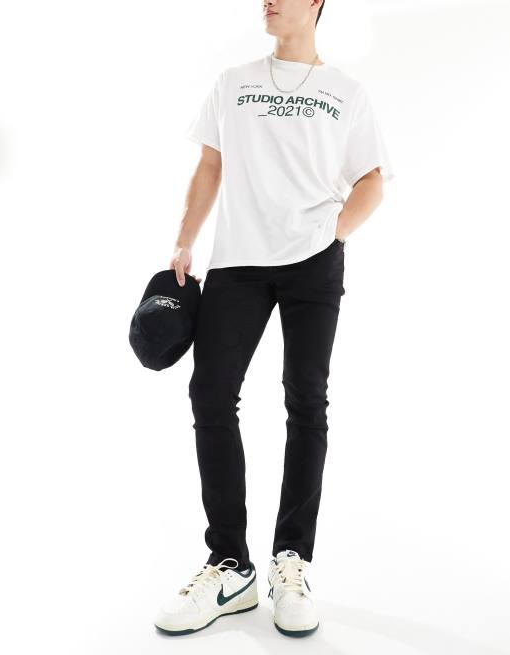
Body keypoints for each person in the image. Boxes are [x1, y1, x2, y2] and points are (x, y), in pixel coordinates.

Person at [154, 0, 394, 638]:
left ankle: (292, 561)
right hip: (238, 261)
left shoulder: (346, 92)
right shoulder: (232, 83)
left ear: (317, 4)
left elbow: (372, 179)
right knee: (211, 392)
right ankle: (230, 566)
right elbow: (210, 166)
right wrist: (184, 241)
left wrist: (331, 234)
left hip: (315, 262)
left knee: (305, 399)